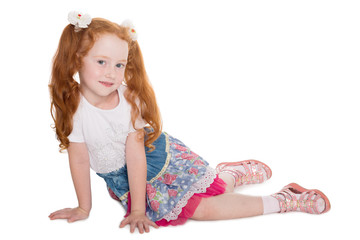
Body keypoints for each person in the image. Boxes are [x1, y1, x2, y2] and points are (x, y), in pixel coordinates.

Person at [48, 12, 331, 234]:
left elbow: (135, 158)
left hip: (153, 164)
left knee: (203, 206)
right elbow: (80, 161)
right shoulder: (72, 108)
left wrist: (137, 209)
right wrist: (84, 208)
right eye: (101, 61)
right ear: (76, 59)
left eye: (119, 65)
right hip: (126, 180)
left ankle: (282, 200)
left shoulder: (128, 102)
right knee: (207, 198)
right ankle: (229, 175)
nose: (111, 73)